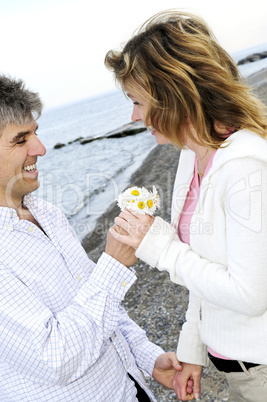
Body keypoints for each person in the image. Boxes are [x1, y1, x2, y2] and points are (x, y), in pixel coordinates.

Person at [105, 9, 267, 402]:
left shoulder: (247, 166)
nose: (134, 116)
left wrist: (159, 247)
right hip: (235, 369)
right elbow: (201, 268)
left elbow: (251, 295)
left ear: (172, 95)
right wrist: (193, 351)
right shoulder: (190, 156)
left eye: (138, 101)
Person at [0, 75, 182, 401]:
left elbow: (94, 302)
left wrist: (145, 355)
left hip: (130, 389)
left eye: (36, 133)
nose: (40, 149)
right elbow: (55, 358)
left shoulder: (47, 213)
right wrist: (112, 265)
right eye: (20, 139)